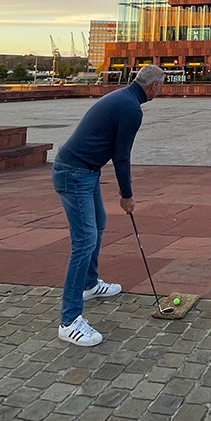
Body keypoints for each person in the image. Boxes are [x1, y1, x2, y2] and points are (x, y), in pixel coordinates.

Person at [52, 64, 166, 346]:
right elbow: (122, 156)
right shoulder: (131, 109)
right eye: (161, 87)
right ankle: (69, 321)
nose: (160, 91)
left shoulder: (123, 98)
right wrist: (126, 195)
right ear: (154, 87)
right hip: (74, 173)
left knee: (98, 225)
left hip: (85, 172)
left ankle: (90, 284)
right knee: (85, 240)